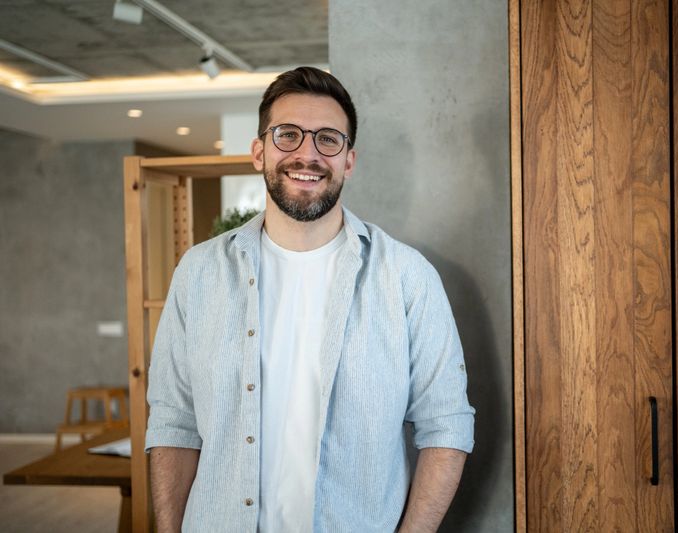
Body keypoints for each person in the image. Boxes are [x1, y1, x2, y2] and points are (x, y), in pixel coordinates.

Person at [145, 66, 474, 533]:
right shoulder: (198, 273)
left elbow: (447, 427)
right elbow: (174, 424)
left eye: (328, 139)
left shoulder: (407, 278)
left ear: (349, 160)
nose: (308, 154)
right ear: (259, 151)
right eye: (288, 135)